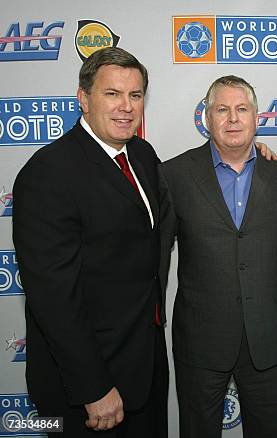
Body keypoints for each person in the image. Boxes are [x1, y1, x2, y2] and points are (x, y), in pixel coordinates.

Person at [12, 47, 168, 436]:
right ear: (83, 98)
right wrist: (93, 386)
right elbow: (53, 298)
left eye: (135, 95)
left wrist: (250, 155)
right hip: (86, 387)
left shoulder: (143, 155)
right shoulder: (48, 173)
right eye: (112, 94)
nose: (126, 107)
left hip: (143, 367)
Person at [159, 75, 277, 438]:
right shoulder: (174, 174)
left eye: (242, 109)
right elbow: (157, 259)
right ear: (207, 118)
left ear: (257, 117)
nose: (233, 118)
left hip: (269, 336)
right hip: (200, 338)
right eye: (222, 110)